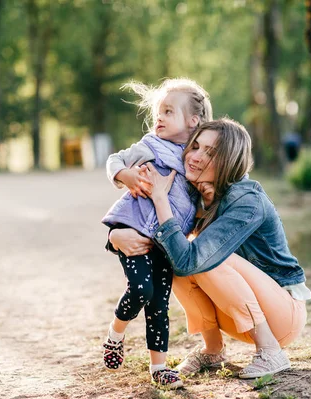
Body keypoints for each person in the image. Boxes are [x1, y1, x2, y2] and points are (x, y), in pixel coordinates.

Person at [109, 118, 311, 379]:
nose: (194, 156)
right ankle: (213, 350)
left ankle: (271, 351)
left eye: (210, 152)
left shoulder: (247, 200)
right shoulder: (195, 195)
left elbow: (190, 260)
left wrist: (160, 198)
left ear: (229, 160)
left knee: (200, 256)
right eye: (195, 146)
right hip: (241, 318)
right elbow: (154, 233)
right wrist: (115, 235)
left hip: (283, 315)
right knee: (177, 254)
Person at [101, 78, 213, 388]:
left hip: (165, 242)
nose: (158, 118)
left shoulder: (199, 158)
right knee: (141, 290)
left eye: (168, 112)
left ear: (193, 121)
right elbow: (114, 160)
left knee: (159, 306)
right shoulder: (150, 144)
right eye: (157, 112)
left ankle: (159, 367)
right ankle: (115, 333)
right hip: (133, 230)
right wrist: (124, 174)